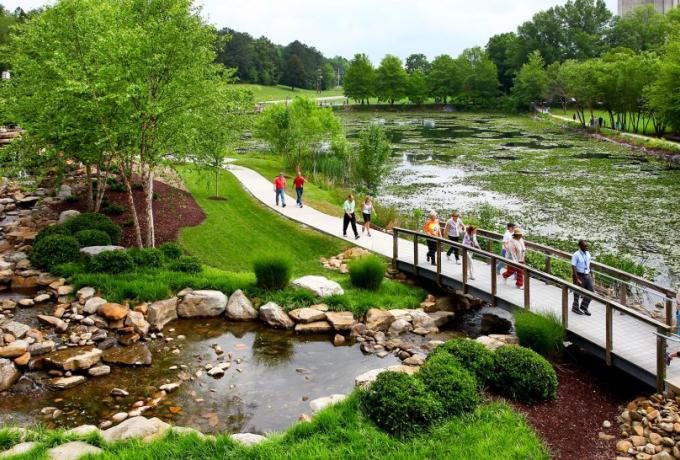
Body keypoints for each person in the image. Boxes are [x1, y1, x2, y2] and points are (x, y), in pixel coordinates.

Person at [571, 239, 594, 316]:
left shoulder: (588, 253)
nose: (587, 247)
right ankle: (575, 308)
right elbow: (573, 266)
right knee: (577, 292)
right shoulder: (576, 255)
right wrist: (576, 278)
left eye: (587, 245)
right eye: (585, 246)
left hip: (587, 275)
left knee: (591, 291)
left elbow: (589, 263)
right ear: (580, 246)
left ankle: (584, 307)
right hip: (579, 275)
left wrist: (591, 274)